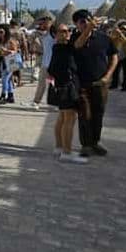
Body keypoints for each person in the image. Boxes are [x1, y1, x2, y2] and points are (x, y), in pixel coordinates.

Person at [71, 9, 118, 158]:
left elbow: (114, 56)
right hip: (82, 84)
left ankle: (95, 142)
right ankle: (85, 145)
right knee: (85, 115)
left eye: (88, 20)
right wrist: (88, 29)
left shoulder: (103, 38)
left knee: (98, 114)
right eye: (82, 22)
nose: (86, 23)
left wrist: (108, 76)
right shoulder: (74, 37)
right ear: (76, 24)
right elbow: (78, 45)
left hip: (101, 84)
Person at [47, 23, 87, 164]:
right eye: (63, 31)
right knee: (69, 119)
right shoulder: (64, 48)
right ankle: (66, 152)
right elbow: (80, 42)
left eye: (68, 30)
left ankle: (59, 147)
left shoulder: (58, 48)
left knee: (62, 118)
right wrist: (90, 27)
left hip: (62, 86)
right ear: (55, 34)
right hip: (66, 87)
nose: (67, 33)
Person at [31, 14, 55, 109]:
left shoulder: (55, 35)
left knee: (52, 84)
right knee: (42, 83)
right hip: (45, 63)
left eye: (44, 23)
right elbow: (43, 49)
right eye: (41, 24)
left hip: (53, 64)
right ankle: (36, 101)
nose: (42, 25)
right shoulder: (43, 36)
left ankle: (54, 103)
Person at [0, 24, 21, 105]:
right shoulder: (1, 41)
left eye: (1, 32)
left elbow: (15, 51)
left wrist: (6, 50)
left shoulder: (10, 40)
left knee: (4, 79)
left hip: (10, 61)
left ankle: (3, 95)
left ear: (6, 32)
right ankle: (10, 96)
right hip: (3, 61)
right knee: (8, 79)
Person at [109, 22, 126, 91]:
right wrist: (115, 33)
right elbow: (111, 39)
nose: (123, 31)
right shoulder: (119, 37)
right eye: (122, 29)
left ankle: (125, 86)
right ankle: (114, 84)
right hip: (118, 56)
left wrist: (121, 34)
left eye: (125, 30)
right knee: (115, 71)